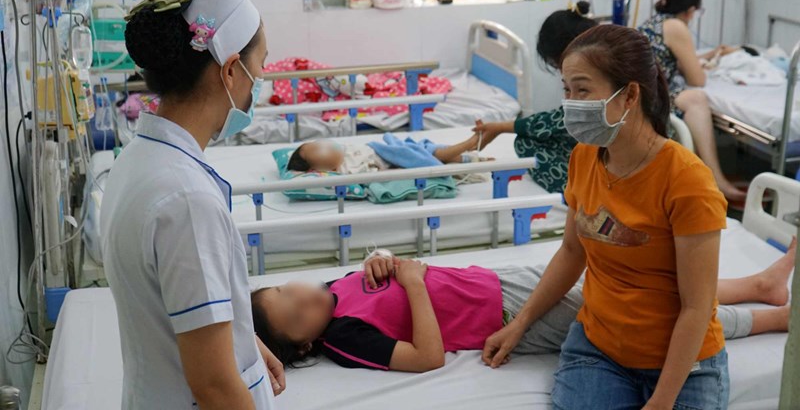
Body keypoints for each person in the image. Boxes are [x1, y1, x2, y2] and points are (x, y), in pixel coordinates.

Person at [482, 24, 731, 409]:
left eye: (583, 90)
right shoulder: (583, 157)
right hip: (599, 350)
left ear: (630, 94)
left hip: (682, 361)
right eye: (566, 90)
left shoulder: (686, 180)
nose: (570, 102)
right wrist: (519, 324)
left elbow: (696, 308)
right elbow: (570, 252)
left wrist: (662, 402)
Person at [101, 0, 282, 409]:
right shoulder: (186, 200)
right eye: (261, 66)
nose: (262, 82)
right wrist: (229, 362)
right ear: (230, 71)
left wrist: (242, 340)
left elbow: (175, 308)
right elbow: (214, 386)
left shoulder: (137, 160)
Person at [249, 242, 794, 373]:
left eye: (288, 291)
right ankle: (772, 319)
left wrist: (381, 255)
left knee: (635, 282)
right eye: (296, 314)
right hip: (503, 318)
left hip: (494, 280)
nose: (303, 299)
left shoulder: (330, 288)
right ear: (304, 343)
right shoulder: (343, 339)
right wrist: (414, 284)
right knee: (639, 312)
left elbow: (378, 277)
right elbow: (428, 357)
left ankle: (758, 283)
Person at [638, 0, 746, 202]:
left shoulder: (656, 22)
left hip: (643, 89)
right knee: (696, 98)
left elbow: (669, 59)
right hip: (653, 95)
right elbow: (697, 79)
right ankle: (716, 179)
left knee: (693, 97)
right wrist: (701, 66)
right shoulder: (676, 26)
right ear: (690, 10)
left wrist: (711, 54)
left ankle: (707, 181)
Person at [474, 8, 597, 193]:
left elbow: (560, 120)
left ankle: (577, 192)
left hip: (605, 148)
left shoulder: (597, 71)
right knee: (526, 142)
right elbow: (560, 117)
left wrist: (500, 128)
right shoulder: (593, 61)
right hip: (589, 142)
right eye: (566, 88)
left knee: (527, 141)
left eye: (557, 65)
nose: (559, 71)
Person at [286, 131, 489, 174]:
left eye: (316, 143)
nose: (323, 146)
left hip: (390, 148)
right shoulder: (344, 172)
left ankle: (466, 155)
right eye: (316, 151)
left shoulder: (344, 150)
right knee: (425, 154)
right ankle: (468, 146)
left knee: (426, 148)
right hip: (394, 158)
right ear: (317, 168)